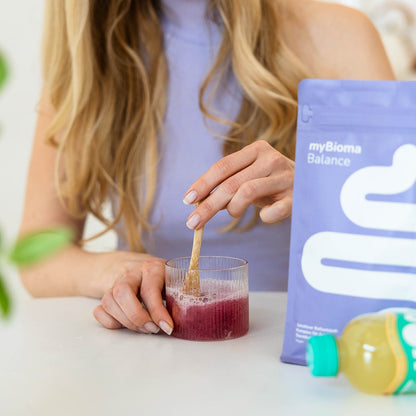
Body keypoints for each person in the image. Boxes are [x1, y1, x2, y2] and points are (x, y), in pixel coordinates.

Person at [19, 0, 394, 335]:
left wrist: (319, 189)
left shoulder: (339, 34)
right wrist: (115, 271)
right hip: (151, 353)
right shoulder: (86, 62)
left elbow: (400, 235)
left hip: (304, 351)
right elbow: (36, 259)